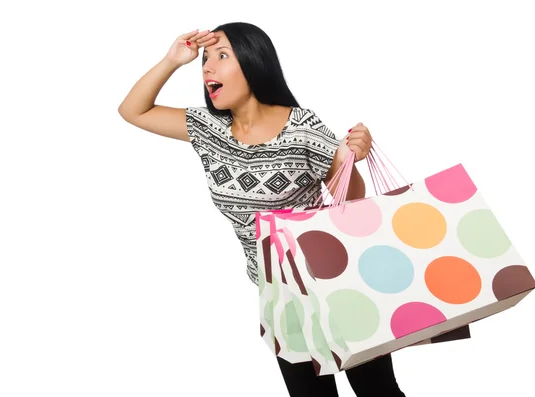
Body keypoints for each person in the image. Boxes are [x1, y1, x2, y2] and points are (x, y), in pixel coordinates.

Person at [118, 21, 406, 397]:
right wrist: (172, 60)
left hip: (334, 285)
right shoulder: (208, 128)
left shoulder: (301, 126)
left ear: (255, 63)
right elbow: (132, 111)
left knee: (379, 393)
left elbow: (348, 204)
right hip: (277, 296)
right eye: (206, 58)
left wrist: (352, 159)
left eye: (222, 56)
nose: (207, 66)